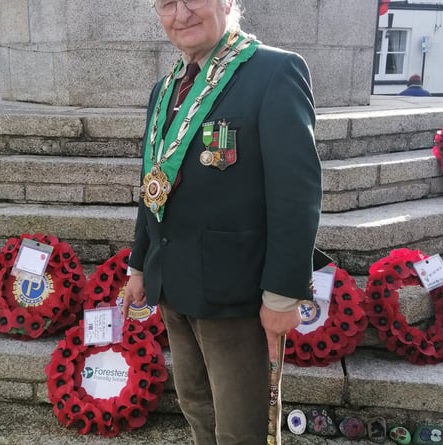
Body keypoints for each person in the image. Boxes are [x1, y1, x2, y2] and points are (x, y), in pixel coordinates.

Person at [122, 0, 322, 443]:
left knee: (240, 428)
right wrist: (139, 265)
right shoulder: (165, 88)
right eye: (167, 3)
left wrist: (283, 294)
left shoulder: (274, 72)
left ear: (227, 2)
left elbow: (297, 193)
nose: (182, 13)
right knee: (196, 407)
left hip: (237, 295)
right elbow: (154, 182)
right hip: (173, 284)